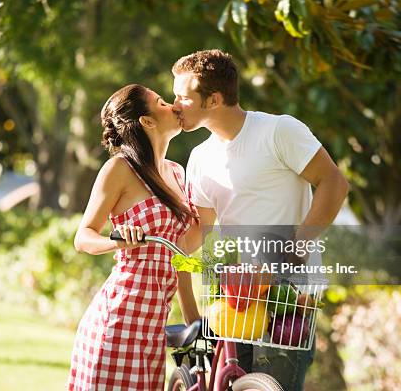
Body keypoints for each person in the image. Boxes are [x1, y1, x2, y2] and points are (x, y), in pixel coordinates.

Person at [171, 49, 349, 391]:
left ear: (214, 99)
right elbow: (203, 234)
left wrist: (298, 246)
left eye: (183, 97)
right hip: (233, 295)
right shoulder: (200, 158)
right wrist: (173, 253)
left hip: (287, 294)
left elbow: (335, 184)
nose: (175, 105)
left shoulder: (279, 131)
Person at [67, 84, 201, 390]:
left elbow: (180, 255)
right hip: (117, 322)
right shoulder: (120, 169)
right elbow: (83, 236)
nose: (174, 106)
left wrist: (195, 323)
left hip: (153, 329)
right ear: (147, 121)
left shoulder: (178, 174)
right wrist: (117, 241)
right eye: (162, 103)